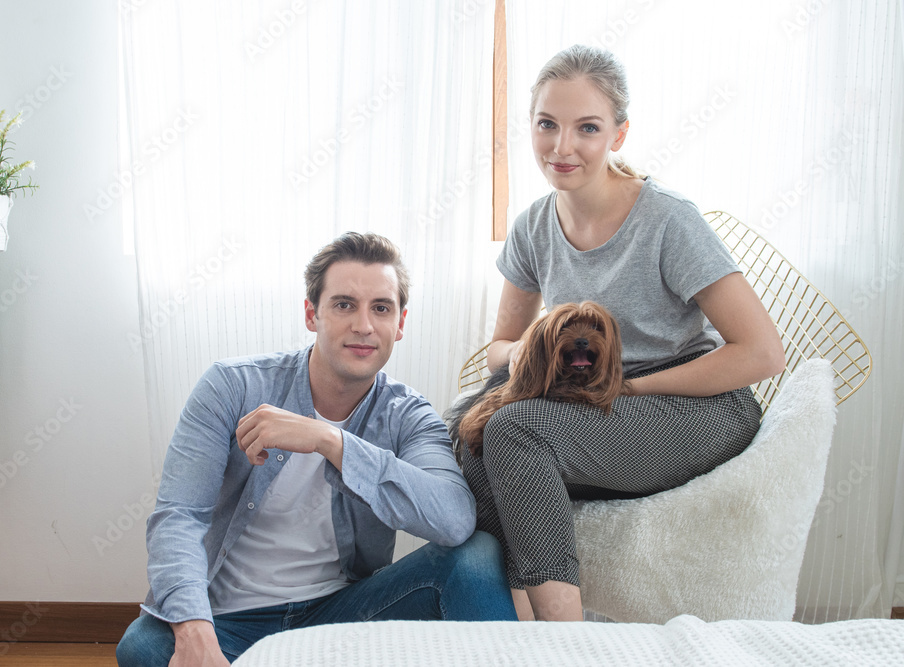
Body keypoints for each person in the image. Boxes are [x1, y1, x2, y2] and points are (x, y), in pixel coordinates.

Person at [460, 45, 785, 623]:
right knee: (467, 430)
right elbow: (499, 350)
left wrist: (627, 388)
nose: (562, 147)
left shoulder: (667, 220)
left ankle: (565, 639)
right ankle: (512, 621)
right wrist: (535, 351)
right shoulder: (533, 225)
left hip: (696, 406)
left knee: (515, 429)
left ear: (619, 133)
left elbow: (762, 354)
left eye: (587, 128)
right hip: (592, 396)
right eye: (547, 124)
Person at [118, 232, 516, 666]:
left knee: (476, 554)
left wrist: (331, 441)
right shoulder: (231, 386)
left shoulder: (408, 414)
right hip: (228, 620)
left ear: (400, 324)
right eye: (344, 304)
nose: (363, 325)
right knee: (145, 648)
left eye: (381, 308)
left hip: (343, 618)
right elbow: (178, 516)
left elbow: (454, 520)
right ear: (312, 314)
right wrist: (195, 630)